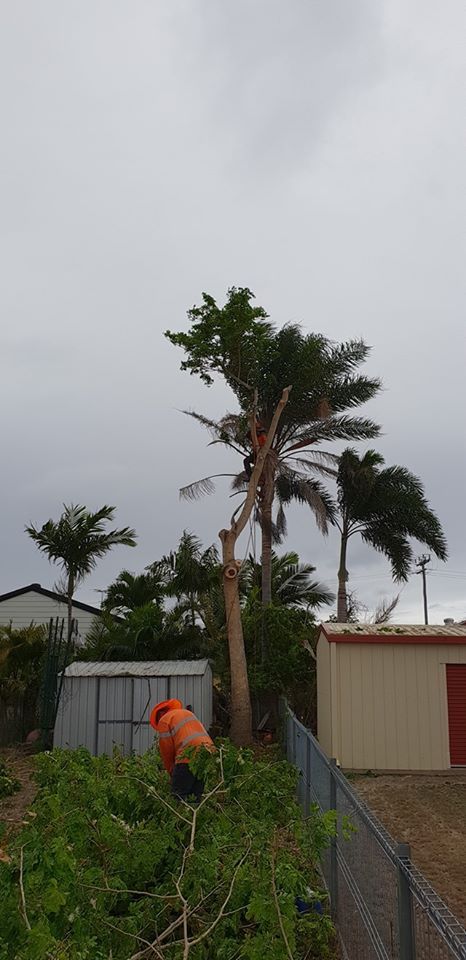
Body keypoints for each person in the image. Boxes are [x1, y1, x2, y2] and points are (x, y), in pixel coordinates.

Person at [149, 699, 214, 802]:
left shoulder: (164, 720)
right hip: (206, 754)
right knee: (195, 796)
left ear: (160, 714)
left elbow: (167, 751)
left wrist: (172, 772)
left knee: (178, 797)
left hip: (187, 756)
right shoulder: (187, 713)